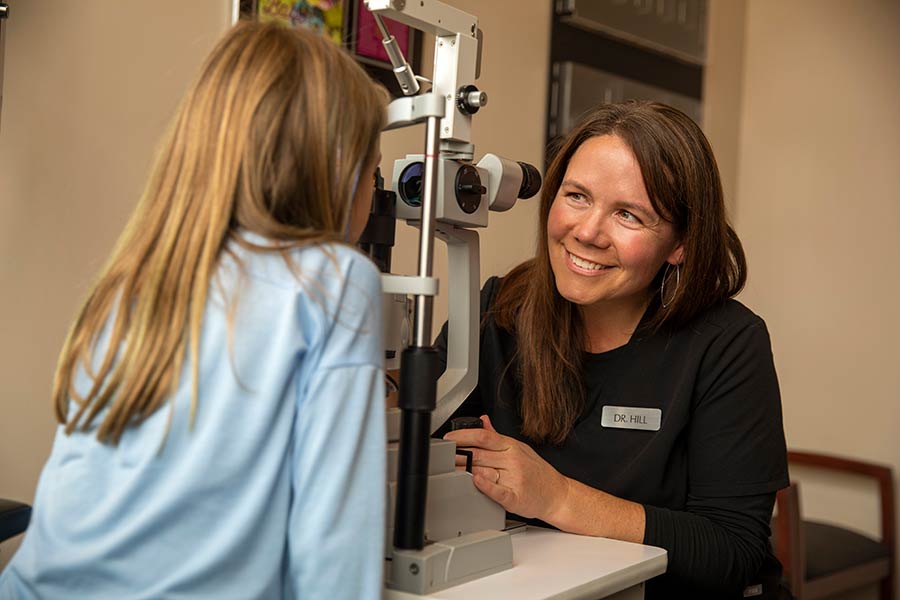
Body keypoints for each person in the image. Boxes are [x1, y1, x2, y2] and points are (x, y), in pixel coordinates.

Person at [0, 21, 388, 600]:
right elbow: (335, 558)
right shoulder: (334, 281)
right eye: (373, 170)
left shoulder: (133, 282)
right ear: (338, 171)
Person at [438, 101, 789, 598]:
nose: (587, 232)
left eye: (628, 214)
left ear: (680, 243)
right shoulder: (499, 308)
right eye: (577, 196)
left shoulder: (726, 343)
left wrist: (556, 496)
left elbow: (733, 550)